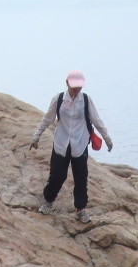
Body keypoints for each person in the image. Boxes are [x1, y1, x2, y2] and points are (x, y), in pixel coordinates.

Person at [30, 71, 112, 224]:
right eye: (74, 86)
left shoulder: (86, 100)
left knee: (81, 177)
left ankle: (81, 208)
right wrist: (37, 136)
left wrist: (107, 138)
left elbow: (96, 120)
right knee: (57, 175)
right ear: (67, 83)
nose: (77, 90)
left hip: (79, 144)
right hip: (61, 143)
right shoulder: (59, 98)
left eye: (79, 87)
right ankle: (48, 201)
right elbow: (47, 118)